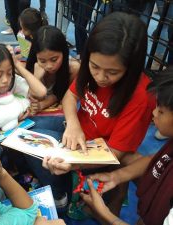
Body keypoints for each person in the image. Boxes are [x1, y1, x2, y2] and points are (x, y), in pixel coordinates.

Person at [36, 12, 154, 216]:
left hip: (100, 152)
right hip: (77, 133)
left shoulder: (141, 97)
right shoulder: (88, 71)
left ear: (131, 67)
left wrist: (71, 163)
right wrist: (73, 125)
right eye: (94, 67)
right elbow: (70, 97)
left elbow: (114, 153)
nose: (100, 77)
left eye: (112, 72)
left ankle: (68, 197)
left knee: (49, 162)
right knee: (28, 132)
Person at [80, 67, 173, 225]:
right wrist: (116, 177)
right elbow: (159, 160)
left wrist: (104, 213)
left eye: (161, 111)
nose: (154, 113)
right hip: (151, 212)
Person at [26, 25, 79, 116]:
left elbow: (64, 96)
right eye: (42, 61)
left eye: (54, 60)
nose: (49, 66)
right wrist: (36, 78)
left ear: (64, 52)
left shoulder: (73, 69)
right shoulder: (34, 66)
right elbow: (31, 97)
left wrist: (43, 104)